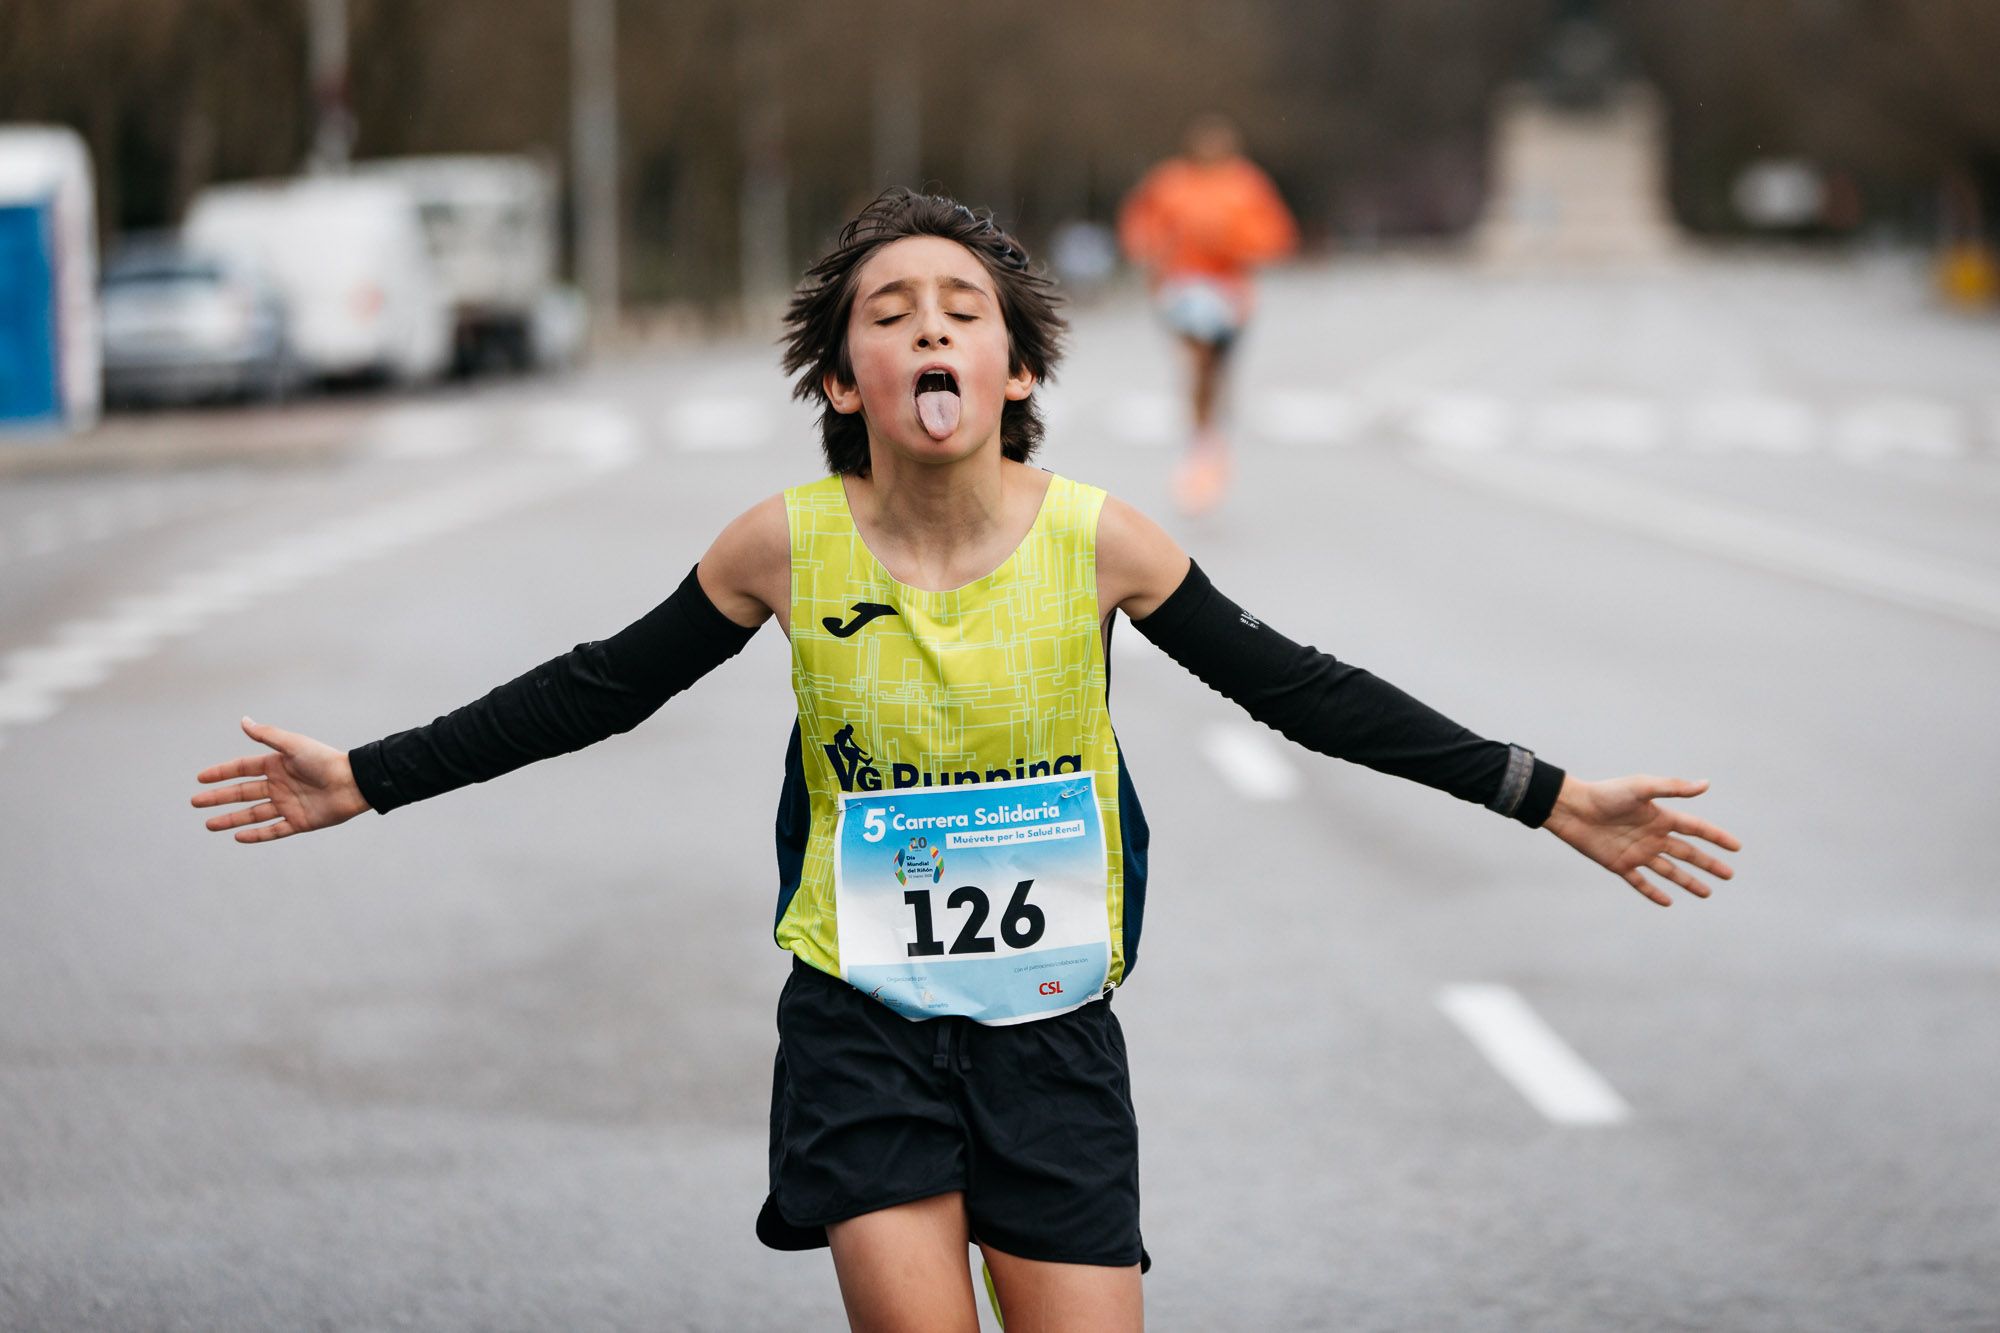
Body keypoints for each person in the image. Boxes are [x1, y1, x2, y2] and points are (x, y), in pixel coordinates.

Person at [191, 189, 1738, 1333]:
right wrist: (369, 774)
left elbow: (1305, 690)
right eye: (887, 310)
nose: (927, 321)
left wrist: (1544, 793)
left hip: (1053, 1027)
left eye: (960, 307)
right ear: (840, 385)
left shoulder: (1097, 539)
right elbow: (598, 687)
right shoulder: (781, 547)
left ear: (1011, 374)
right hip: (857, 1021)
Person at [1117, 113, 1300, 516]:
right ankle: (1201, 445)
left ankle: (1209, 436)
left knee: (1217, 371)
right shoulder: (1171, 183)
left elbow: (1274, 236)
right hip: (1184, 287)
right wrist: (1152, 253)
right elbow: (1142, 224)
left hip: (1229, 291)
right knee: (1198, 358)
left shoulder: (1246, 185)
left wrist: (1232, 242)